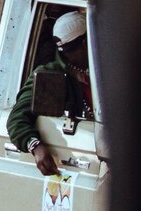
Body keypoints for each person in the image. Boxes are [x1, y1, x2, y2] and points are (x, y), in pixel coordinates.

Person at [7, 10, 94, 176]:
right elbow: (17, 119)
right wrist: (36, 147)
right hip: (78, 156)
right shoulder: (51, 75)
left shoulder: (108, 70)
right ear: (85, 42)